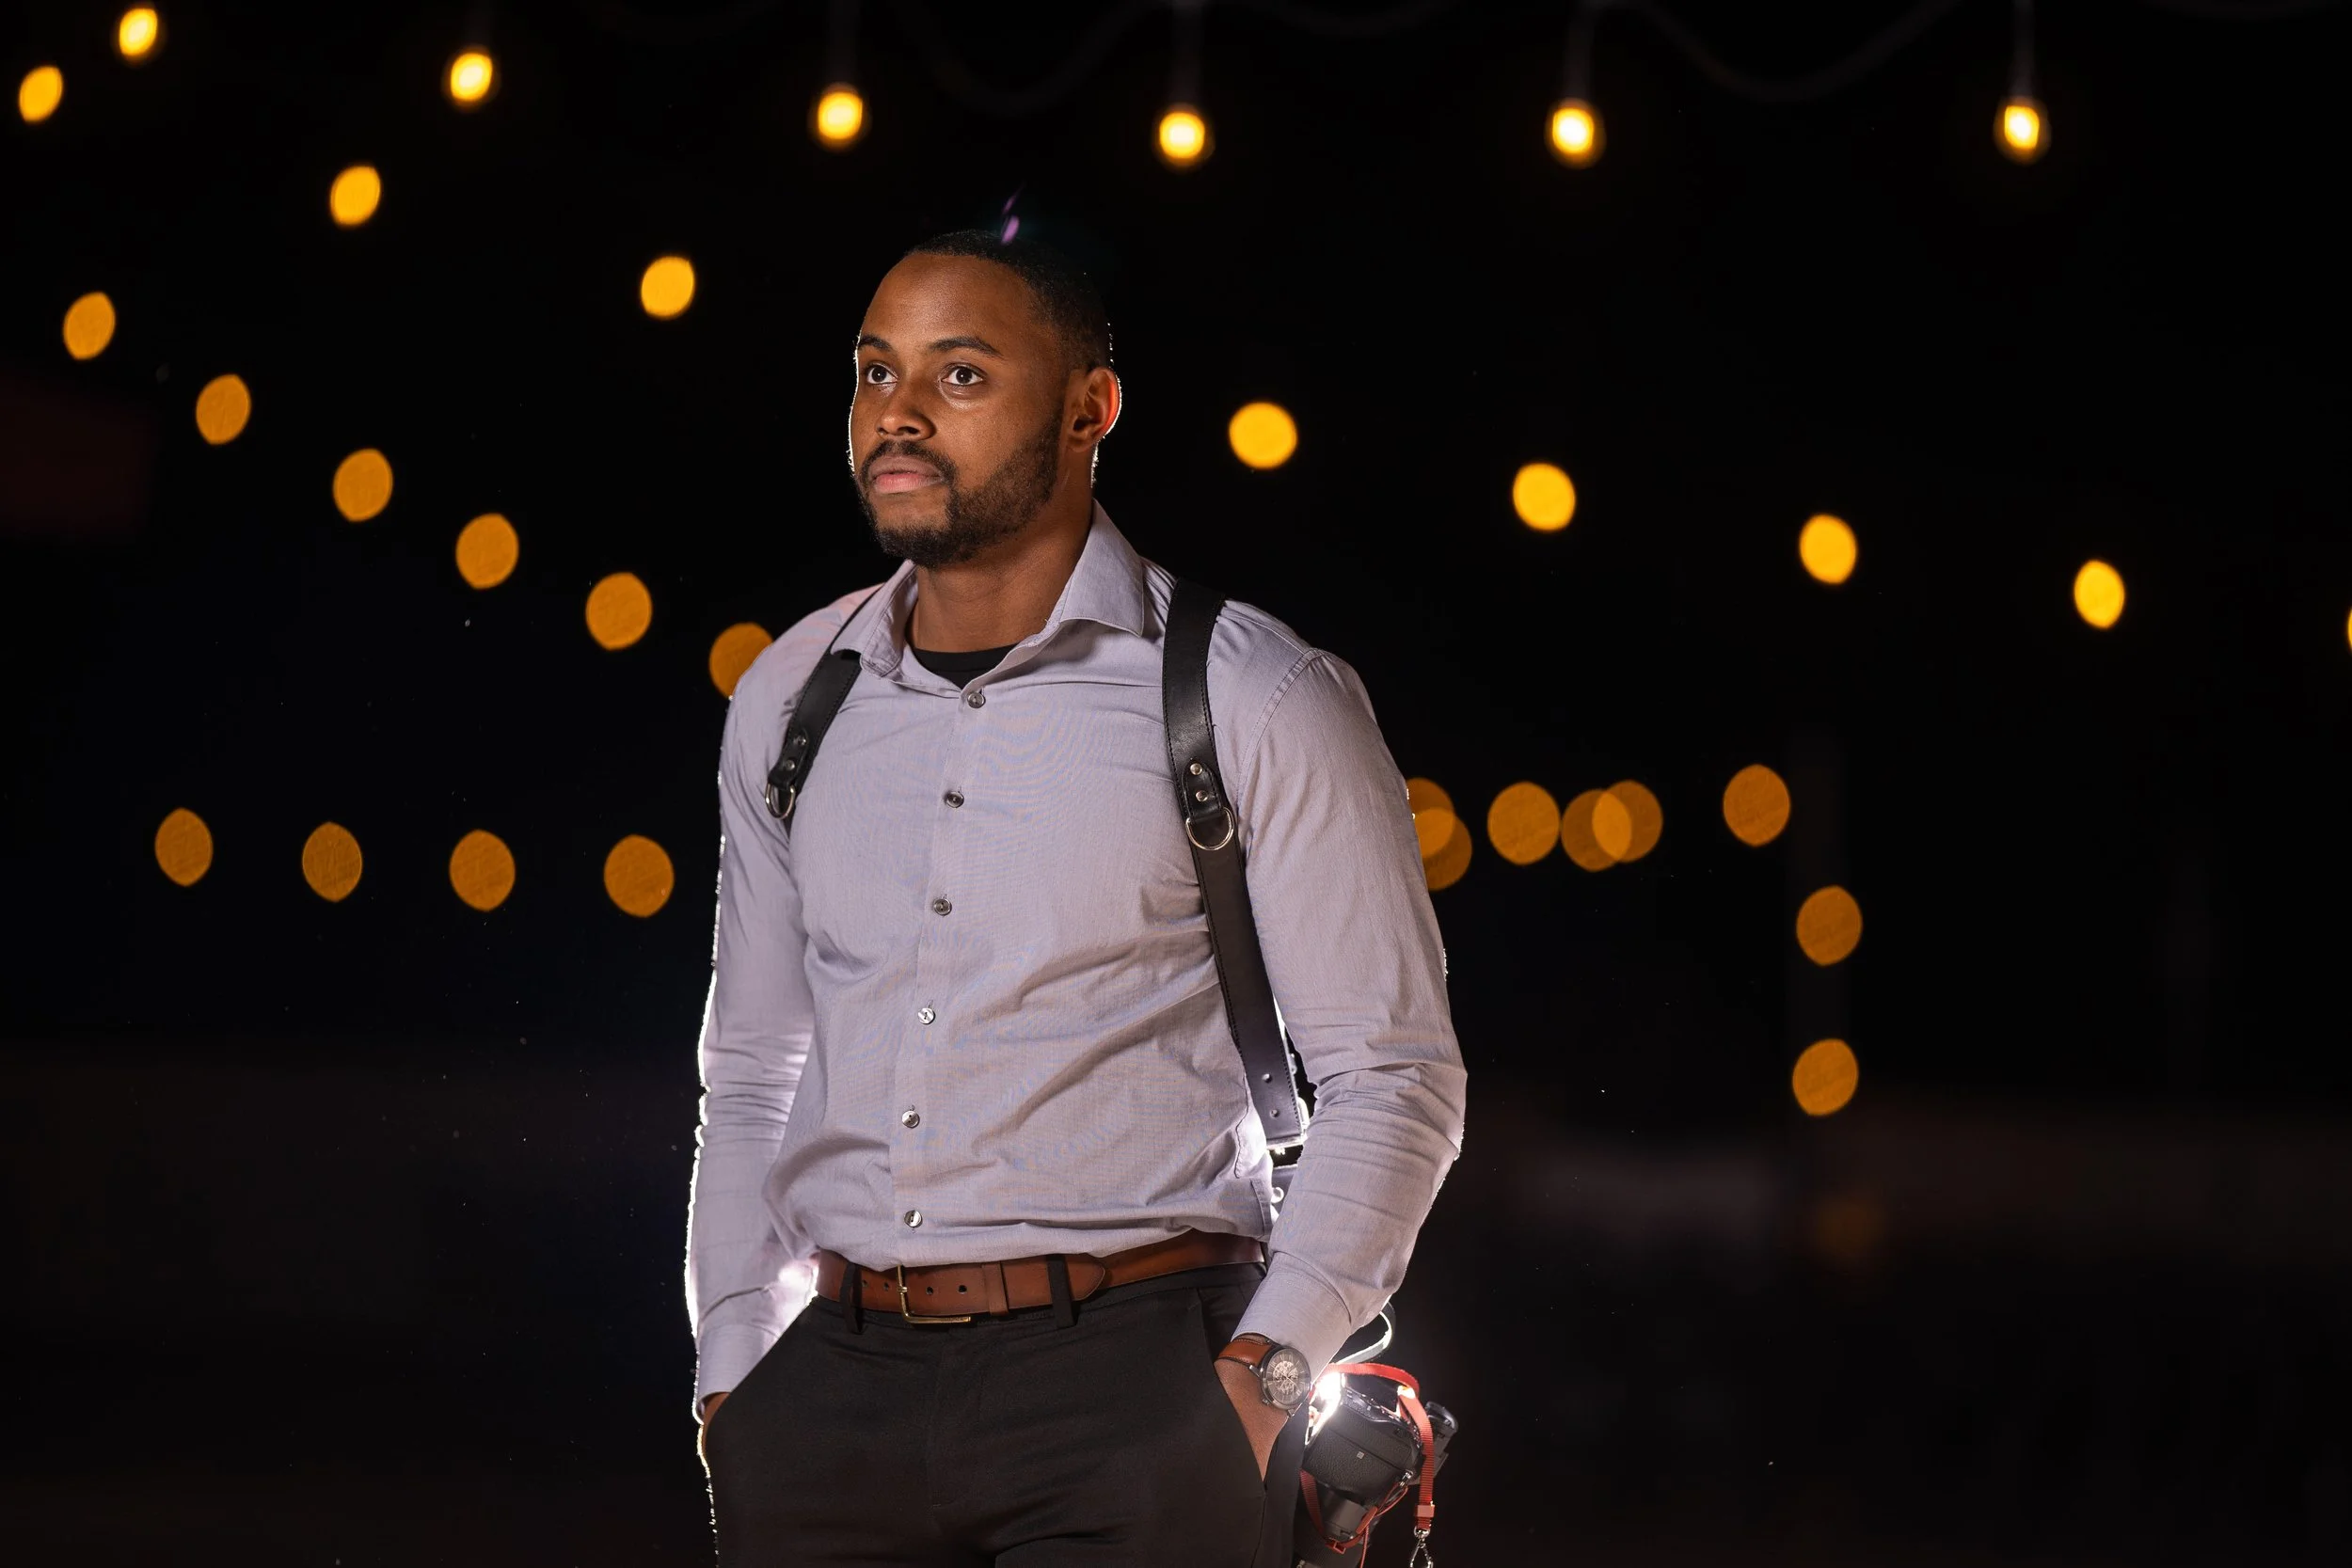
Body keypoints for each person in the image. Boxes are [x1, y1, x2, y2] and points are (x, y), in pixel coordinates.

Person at [686, 229, 1467, 1567]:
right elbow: (754, 1063)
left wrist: (1259, 1387)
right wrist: (736, 1369)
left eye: (963, 374)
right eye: (876, 371)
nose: (901, 414)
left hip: (1141, 1387)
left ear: (1090, 409)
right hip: (828, 1403)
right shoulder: (790, 699)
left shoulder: (1251, 695)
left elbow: (1396, 1076)